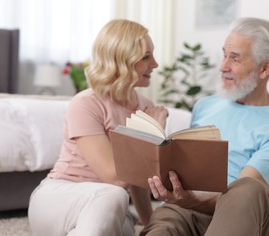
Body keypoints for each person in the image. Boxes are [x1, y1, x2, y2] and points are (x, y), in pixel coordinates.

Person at [140, 17, 269, 236]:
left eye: (234, 58)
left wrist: (192, 199)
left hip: (249, 220)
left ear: (265, 68)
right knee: (166, 220)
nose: (223, 66)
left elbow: (243, 200)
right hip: (190, 210)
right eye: (224, 54)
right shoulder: (205, 106)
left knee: (247, 189)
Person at [28, 19, 168, 236]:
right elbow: (116, 177)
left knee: (124, 225)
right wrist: (153, 131)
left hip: (106, 205)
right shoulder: (85, 103)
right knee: (115, 194)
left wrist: (151, 224)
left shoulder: (145, 106)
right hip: (60, 197)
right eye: (146, 57)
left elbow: (139, 177)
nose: (155, 64)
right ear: (122, 61)